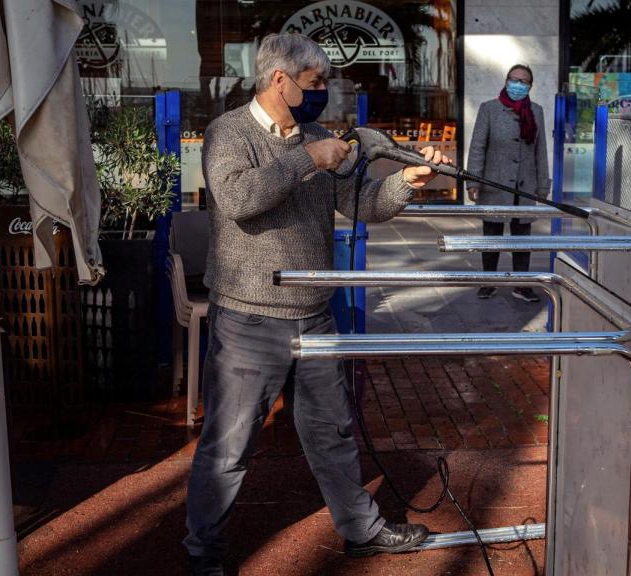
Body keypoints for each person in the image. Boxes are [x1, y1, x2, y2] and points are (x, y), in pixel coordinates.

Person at [184, 33, 451, 576]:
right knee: (228, 446)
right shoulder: (228, 132)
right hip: (249, 317)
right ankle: (203, 551)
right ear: (279, 79)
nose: (323, 91)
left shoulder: (319, 136)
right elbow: (238, 199)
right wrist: (305, 159)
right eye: (314, 82)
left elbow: (364, 204)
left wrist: (407, 181)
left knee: (333, 432)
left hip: (315, 313)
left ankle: (362, 530)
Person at [466, 64, 551, 303]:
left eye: (523, 81)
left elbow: (541, 150)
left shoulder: (536, 111)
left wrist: (542, 186)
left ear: (530, 86)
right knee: (491, 236)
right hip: (494, 184)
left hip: (525, 186)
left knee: (522, 238)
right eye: (514, 79)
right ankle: (488, 282)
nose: (518, 84)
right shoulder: (489, 109)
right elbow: (477, 147)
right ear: (506, 81)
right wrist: (473, 181)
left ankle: (521, 285)